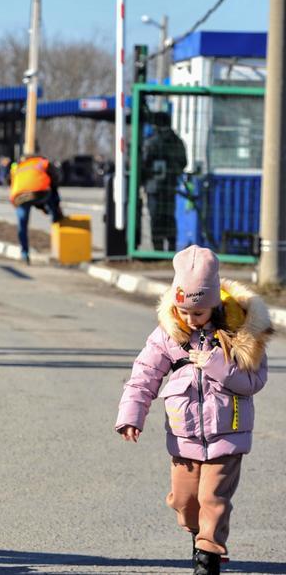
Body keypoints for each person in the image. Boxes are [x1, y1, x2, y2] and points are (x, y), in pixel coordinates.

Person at [115, 246, 269, 575]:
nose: (189, 318)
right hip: (184, 436)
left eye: (197, 312)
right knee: (186, 505)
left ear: (214, 303)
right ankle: (199, 533)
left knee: (213, 500)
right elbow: (144, 375)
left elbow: (254, 381)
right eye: (182, 310)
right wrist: (131, 414)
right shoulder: (170, 333)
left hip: (228, 434)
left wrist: (216, 365)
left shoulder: (240, 331)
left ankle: (208, 557)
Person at [142, 111, 188, 252]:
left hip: (153, 187)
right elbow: (183, 162)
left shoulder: (151, 141)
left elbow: (143, 163)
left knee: (156, 218)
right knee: (169, 217)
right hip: (170, 186)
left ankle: (158, 250)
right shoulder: (177, 141)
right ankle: (172, 248)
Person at [8, 153, 65, 264]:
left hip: (20, 197)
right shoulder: (42, 162)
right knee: (52, 193)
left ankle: (24, 254)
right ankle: (55, 216)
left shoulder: (19, 166)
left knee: (22, 224)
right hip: (40, 192)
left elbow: (9, 181)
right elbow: (55, 179)